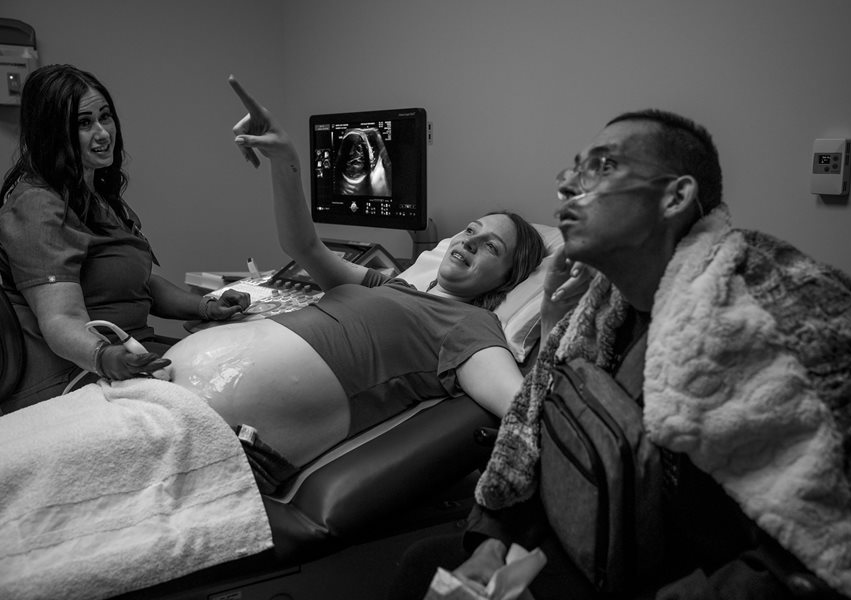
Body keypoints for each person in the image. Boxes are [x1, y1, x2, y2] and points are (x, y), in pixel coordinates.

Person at [388, 110, 851, 599]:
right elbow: (531, 420)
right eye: (575, 170)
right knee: (423, 569)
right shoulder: (601, 301)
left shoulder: (785, 314)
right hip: (592, 536)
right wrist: (492, 539)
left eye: (603, 167)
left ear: (675, 197)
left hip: (690, 574)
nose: (570, 187)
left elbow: (837, 556)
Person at [161, 76, 547, 470]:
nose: (470, 241)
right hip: (168, 393)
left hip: (220, 431)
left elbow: (523, 409)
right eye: (470, 230)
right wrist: (285, 159)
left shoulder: (469, 323)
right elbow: (304, 247)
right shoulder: (393, 285)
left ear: (507, 278)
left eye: (491, 247)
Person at [0, 64, 249, 413]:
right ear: (52, 132)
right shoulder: (37, 204)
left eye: (105, 117)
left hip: (128, 355)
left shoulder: (96, 197)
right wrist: (106, 357)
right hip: (74, 375)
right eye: (84, 123)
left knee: (243, 366)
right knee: (237, 393)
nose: (103, 133)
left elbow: (139, 284)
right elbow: (60, 320)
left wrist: (207, 306)